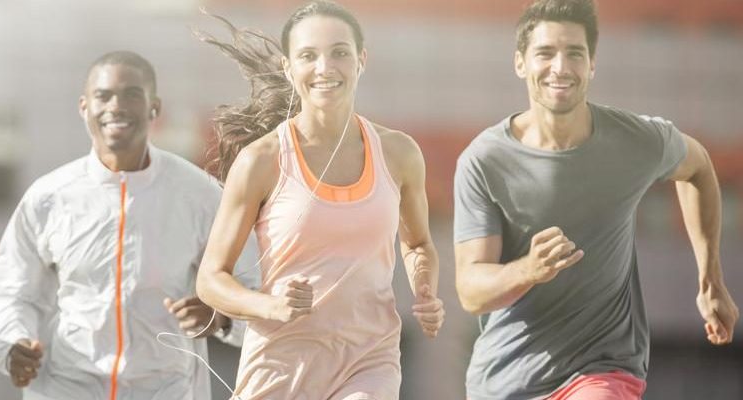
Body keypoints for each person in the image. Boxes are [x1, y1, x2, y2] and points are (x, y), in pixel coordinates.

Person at [452, 0, 740, 399]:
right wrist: (528, 270)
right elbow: (470, 289)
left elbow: (699, 168)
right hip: (504, 380)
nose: (561, 67)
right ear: (520, 63)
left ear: (592, 64)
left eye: (575, 53)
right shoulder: (484, 161)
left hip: (603, 369)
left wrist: (711, 280)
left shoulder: (634, 140)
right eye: (545, 53)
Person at [194, 1, 445, 399]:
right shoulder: (261, 161)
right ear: (288, 67)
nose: (325, 67)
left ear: (361, 60)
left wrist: (425, 288)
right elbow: (210, 280)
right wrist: (269, 305)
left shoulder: (399, 154)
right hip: (280, 366)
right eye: (308, 56)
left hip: (368, 362)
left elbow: (417, 244)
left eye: (340, 53)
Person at [0, 50, 258, 400]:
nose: (116, 106)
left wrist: (220, 317)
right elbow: (12, 289)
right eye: (103, 96)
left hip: (166, 388)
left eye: (132, 94)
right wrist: (12, 342)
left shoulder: (199, 195)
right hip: (67, 386)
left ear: (154, 108)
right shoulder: (49, 196)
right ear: (84, 107)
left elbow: (254, 285)